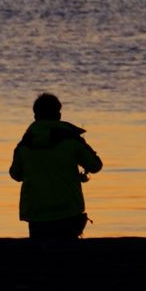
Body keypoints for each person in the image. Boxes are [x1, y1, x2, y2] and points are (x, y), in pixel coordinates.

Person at [9, 93, 101, 237]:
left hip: (36, 215)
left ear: (35, 116)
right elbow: (95, 165)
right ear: (58, 115)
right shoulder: (71, 139)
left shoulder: (24, 144)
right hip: (69, 212)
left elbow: (15, 174)